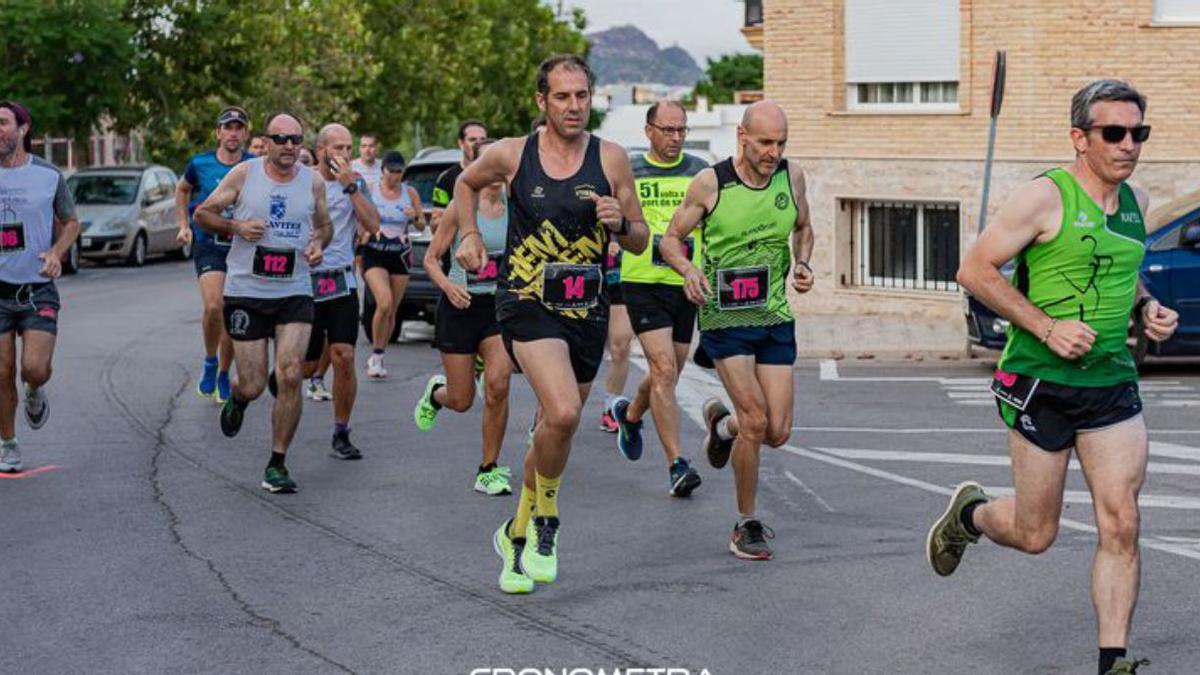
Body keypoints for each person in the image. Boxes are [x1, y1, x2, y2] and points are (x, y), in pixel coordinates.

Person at [926, 79, 1174, 675]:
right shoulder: (1044, 198)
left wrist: (1146, 310)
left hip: (1112, 383)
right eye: (1113, 133)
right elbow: (974, 269)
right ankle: (971, 516)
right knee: (1036, 533)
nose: (1128, 144)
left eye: (1137, 132)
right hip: (1039, 379)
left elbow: (1122, 271)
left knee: (1123, 520)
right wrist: (1045, 326)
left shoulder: (1133, 203)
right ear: (1079, 139)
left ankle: (1112, 660)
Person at [455, 54, 649, 594]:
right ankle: (547, 519)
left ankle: (513, 536)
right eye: (562, 97)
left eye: (582, 96)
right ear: (542, 101)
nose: (573, 106)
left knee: (552, 428)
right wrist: (468, 235)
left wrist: (622, 224)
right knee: (562, 410)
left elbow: (642, 237)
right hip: (525, 302)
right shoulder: (513, 155)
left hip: (586, 308)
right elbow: (464, 184)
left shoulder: (610, 159)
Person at [661, 101, 813, 561]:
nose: (773, 152)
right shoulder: (711, 183)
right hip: (726, 318)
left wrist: (803, 262)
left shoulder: (792, 177)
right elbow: (669, 240)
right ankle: (745, 522)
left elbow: (804, 227)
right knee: (756, 421)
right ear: (742, 137)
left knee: (778, 430)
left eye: (781, 143)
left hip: (773, 316)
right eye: (766, 142)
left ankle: (720, 427)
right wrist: (687, 268)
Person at [195, 112, 331, 493]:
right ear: (266, 141)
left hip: (295, 290)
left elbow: (323, 226)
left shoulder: (314, 182)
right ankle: (238, 398)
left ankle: (277, 461)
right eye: (281, 139)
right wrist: (236, 226)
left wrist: (318, 244)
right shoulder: (245, 175)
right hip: (247, 292)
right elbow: (203, 213)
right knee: (253, 384)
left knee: (289, 374)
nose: (289, 146)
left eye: (296, 140)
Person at [608, 101, 707, 497]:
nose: (675, 138)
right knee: (664, 369)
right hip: (642, 282)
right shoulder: (631, 169)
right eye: (668, 130)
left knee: (671, 371)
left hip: (685, 283)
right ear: (649, 130)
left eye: (681, 129)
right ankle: (676, 465)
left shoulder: (700, 171)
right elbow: (619, 220)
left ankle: (631, 416)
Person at [414, 137, 515, 495]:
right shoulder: (462, 206)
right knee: (461, 400)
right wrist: (447, 286)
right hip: (460, 306)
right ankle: (436, 394)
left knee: (499, 385)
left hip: (497, 308)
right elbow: (430, 259)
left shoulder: (514, 203)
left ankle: (489, 468)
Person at [0, 101, 80, 473]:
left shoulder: (48, 175)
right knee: (1, 373)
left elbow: (71, 222)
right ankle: (9, 444)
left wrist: (56, 252)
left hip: (37, 288)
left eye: (2, 123)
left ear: (23, 129)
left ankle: (34, 391)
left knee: (33, 368)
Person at [303, 123, 379, 460]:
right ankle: (289, 375)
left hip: (341, 281)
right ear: (321, 151)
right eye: (339, 148)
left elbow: (374, 224)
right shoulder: (303, 182)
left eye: (349, 148)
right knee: (303, 369)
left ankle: (341, 432)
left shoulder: (356, 184)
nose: (346, 155)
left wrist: (351, 189)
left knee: (344, 357)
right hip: (304, 282)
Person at [175, 105, 254, 404]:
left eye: (238, 128)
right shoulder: (201, 163)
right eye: (228, 127)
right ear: (219, 132)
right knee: (213, 306)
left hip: (242, 247)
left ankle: (223, 371)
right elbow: (182, 190)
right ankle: (210, 360)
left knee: (232, 313)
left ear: (245, 133)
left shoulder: (254, 165)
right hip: (209, 242)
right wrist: (184, 224)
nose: (233, 133)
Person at [363, 151, 425, 378]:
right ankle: (375, 353)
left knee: (392, 311)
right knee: (385, 302)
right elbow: (359, 215)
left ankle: (379, 355)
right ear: (383, 171)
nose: (395, 177)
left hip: (400, 255)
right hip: (374, 254)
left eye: (400, 172)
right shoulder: (370, 190)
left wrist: (414, 216)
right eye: (392, 172)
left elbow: (421, 225)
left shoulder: (410, 193)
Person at [598, 240, 632, 432]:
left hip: (619, 276)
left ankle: (610, 408)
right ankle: (546, 414)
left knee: (620, 346)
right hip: (587, 274)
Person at [432, 120, 487, 230]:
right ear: (461, 144)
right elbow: (435, 225)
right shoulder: (446, 179)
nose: (478, 144)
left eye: (483, 140)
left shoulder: (498, 176)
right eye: (472, 140)